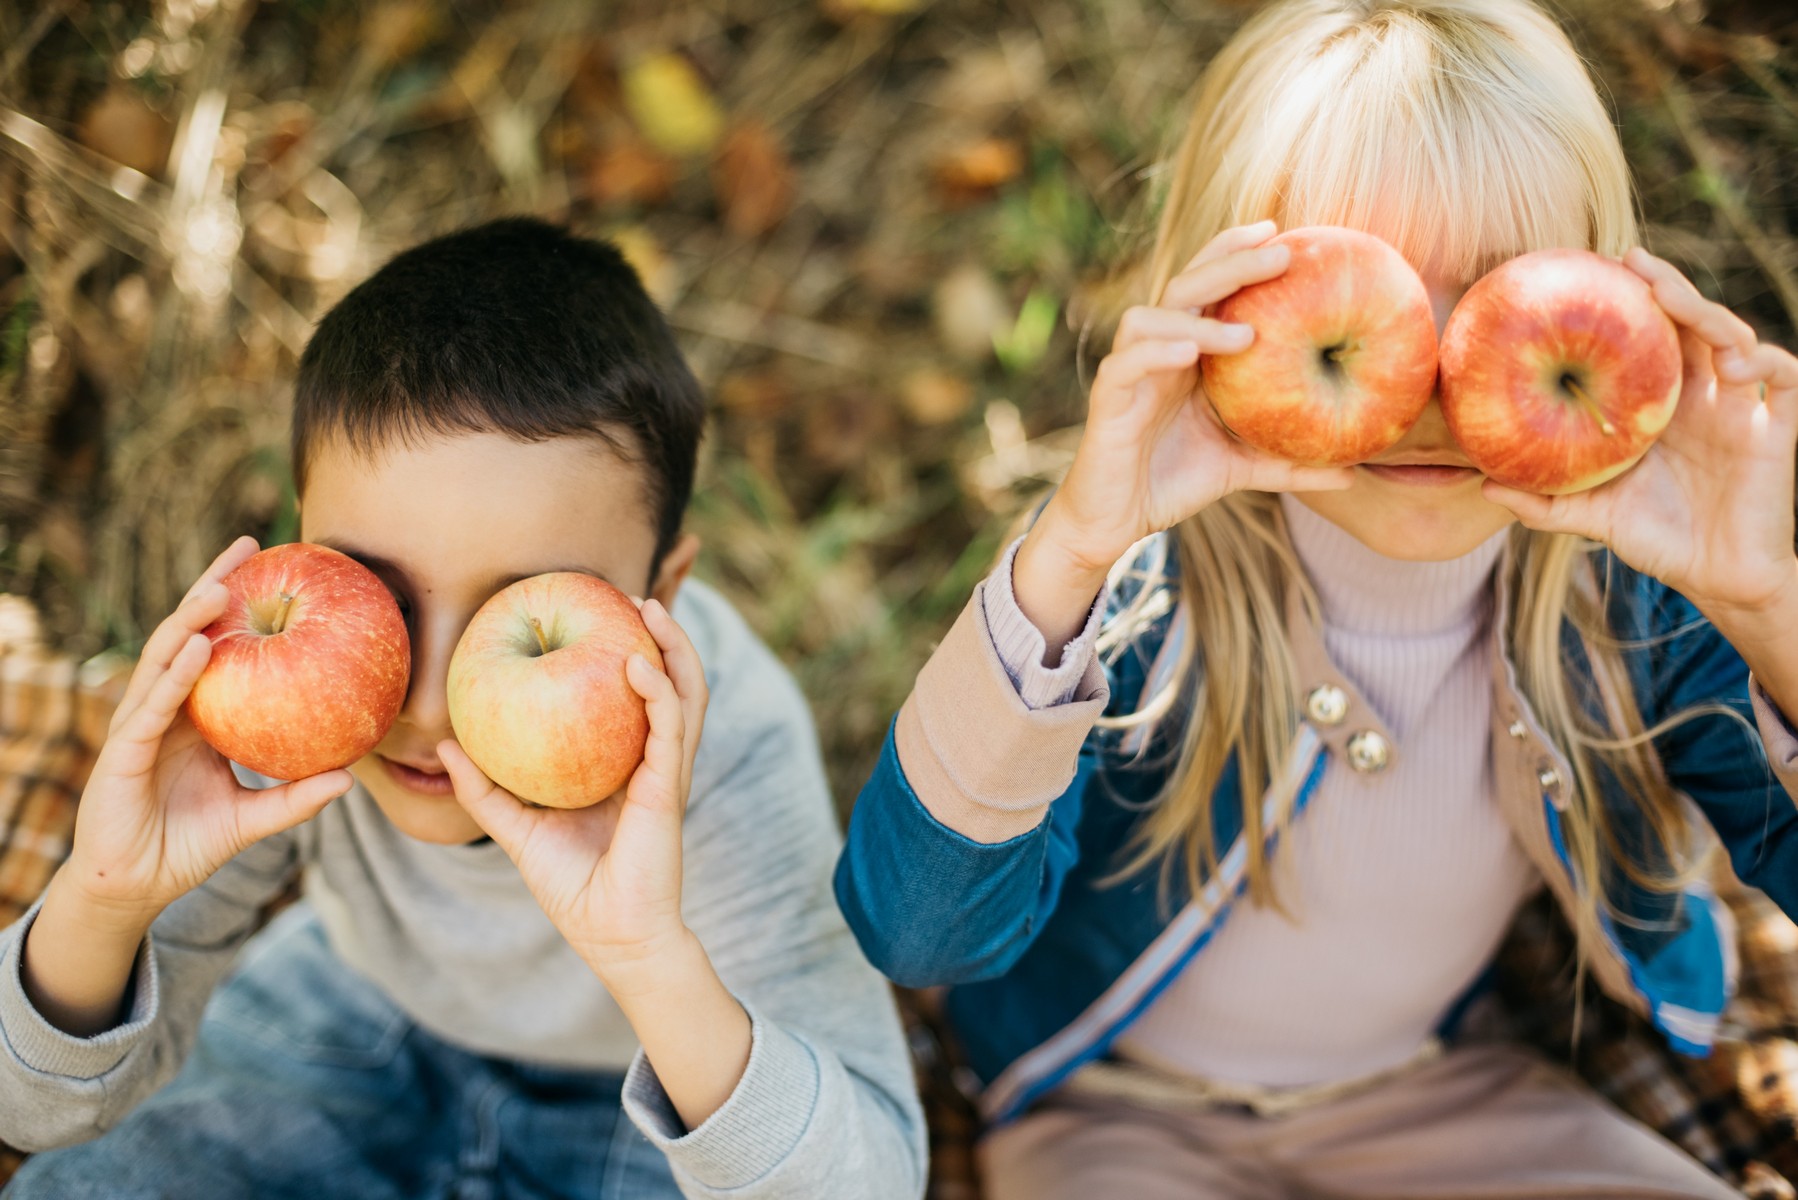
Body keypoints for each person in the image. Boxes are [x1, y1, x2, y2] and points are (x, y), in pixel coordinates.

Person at [833, 1, 1798, 1196]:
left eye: (1505, 297)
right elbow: (916, 935)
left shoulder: (1624, 610)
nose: (1437, 382)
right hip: (1118, 1115)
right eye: (1367, 302)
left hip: (1434, 1093)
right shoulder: (1135, 608)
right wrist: (1074, 549)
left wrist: (1765, 604)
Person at [0, 217, 925, 1200]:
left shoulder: (732, 751)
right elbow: (31, 1116)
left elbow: (872, 1186)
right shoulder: (291, 691)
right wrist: (104, 900)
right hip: (358, 1015)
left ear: (668, 588)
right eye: (376, 595)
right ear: (301, 545)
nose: (432, 700)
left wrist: (646, 956)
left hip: (642, 1092)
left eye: (513, 611)